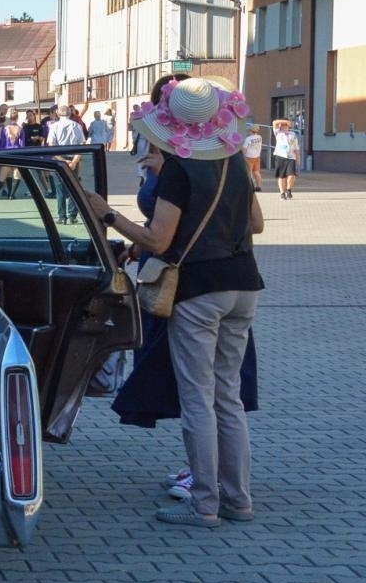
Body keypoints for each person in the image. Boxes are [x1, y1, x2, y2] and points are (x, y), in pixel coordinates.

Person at [85, 76, 264, 528]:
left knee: (199, 398)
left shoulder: (179, 171)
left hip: (198, 291)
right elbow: (256, 223)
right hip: (243, 284)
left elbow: (157, 238)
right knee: (229, 398)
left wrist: (107, 214)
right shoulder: (235, 161)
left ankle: (204, 504)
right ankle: (238, 501)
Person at [47, 104, 85, 223]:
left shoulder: (54, 126)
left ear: (58, 114)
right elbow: (82, 145)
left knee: (60, 189)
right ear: (70, 113)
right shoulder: (77, 126)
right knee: (74, 188)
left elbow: (51, 145)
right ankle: (73, 215)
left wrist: (62, 160)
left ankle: (62, 216)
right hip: (73, 157)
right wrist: (74, 161)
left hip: (59, 157)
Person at [273, 119, 300, 199]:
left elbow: (296, 147)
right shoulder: (278, 133)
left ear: (288, 126)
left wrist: (298, 158)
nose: (282, 126)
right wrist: (283, 121)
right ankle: (282, 193)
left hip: (291, 157)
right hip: (280, 156)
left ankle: (288, 190)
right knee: (281, 176)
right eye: (281, 125)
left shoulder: (293, 134)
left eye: (284, 124)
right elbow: (274, 122)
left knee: (291, 175)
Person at [241, 125, 264, 191]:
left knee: (249, 173)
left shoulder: (248, 139)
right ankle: (259, 187)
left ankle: (250, 187)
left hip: (249, 157)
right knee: (257, 172)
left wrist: (242, 155)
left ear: (250, 131)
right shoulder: (260, 137)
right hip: (257, 157)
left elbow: (244, 149)